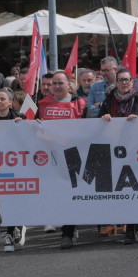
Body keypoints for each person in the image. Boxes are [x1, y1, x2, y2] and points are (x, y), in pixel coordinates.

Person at [99, 68, 138, 243]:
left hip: (135, 150)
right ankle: (120, 221)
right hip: (114, 150)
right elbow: (99, 119)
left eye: (127, 79)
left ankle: (131, 229)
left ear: (132, 82)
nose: (124, 82)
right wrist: (104, 116)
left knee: (132, 189)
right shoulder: (108, 99)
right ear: (116, 82)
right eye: (120, 79)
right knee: (118, 189)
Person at [38, 70, 89, 248]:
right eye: (54, 84)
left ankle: (67, 232)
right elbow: (28, 123)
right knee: (56, 194)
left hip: (74, 156)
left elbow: (90, 128)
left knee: (71, 194)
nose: (58, 87)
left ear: (69, 84)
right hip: (51, 157)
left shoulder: (81, 104)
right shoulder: (42, 104)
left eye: (61, 83)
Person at [0, 88, 26, 253]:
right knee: (1, 200)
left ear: (11, 102)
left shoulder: (19, 117)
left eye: (3, 99)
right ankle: (13, 228)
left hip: (17, 165)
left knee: (13, 198)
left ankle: (12, 231)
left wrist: (23, 125)